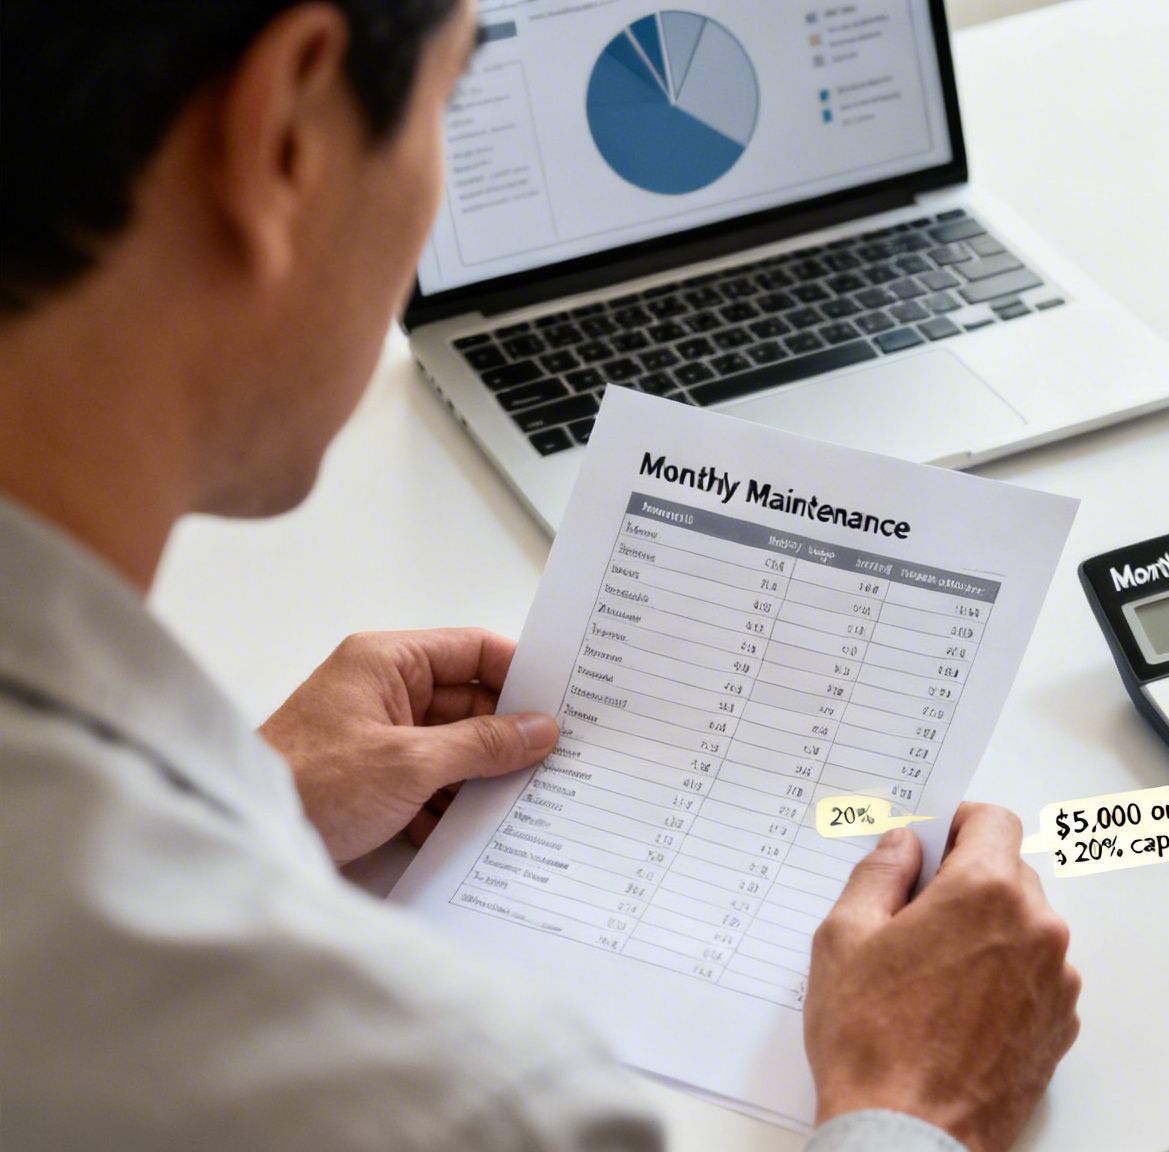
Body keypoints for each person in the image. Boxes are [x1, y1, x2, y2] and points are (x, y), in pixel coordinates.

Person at [0, 3, 1078, 1149]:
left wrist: (251, 800)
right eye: (450, 102)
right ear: (283, 137)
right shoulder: (445, 1099)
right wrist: (915, 1108)